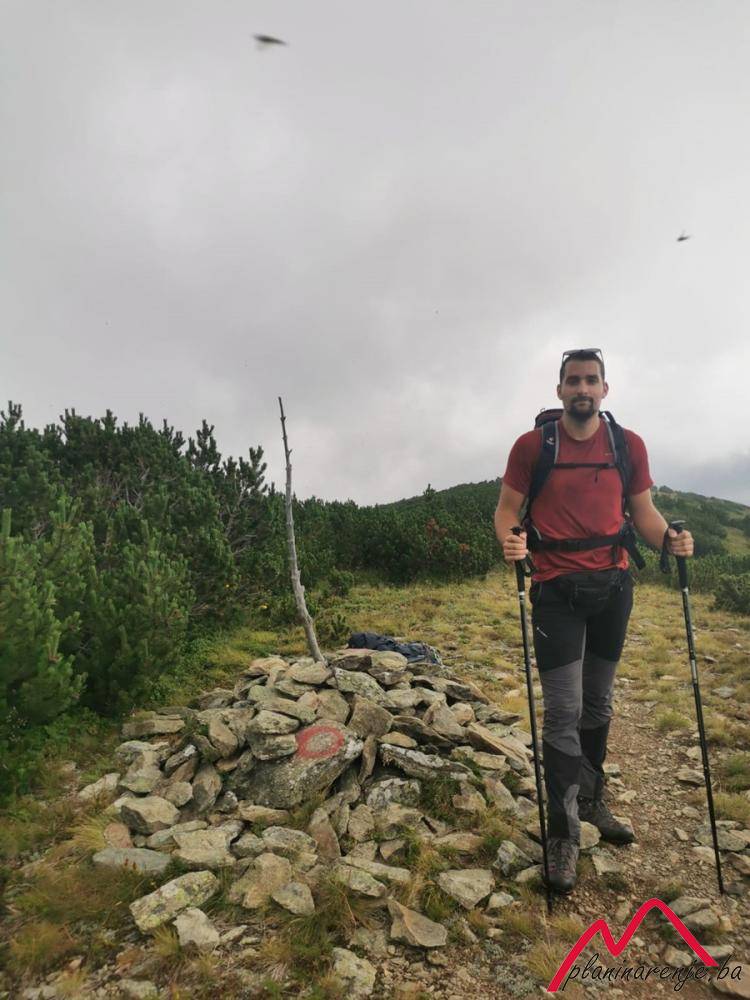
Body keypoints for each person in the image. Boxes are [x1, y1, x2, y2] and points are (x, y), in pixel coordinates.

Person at [494, 348, 694, 893]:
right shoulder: (532, 446)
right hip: (555, 591)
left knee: (599, 702)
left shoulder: (627, 445)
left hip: (613, 588)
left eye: (591, 380)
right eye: (573, 380)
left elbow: (643, 512)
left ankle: (589, 799)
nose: (582, 388)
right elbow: (507, 509)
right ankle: (563, 834)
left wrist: (670, 541)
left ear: (605, 389)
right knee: (565, 708)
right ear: (559, 390)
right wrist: (511, 541)